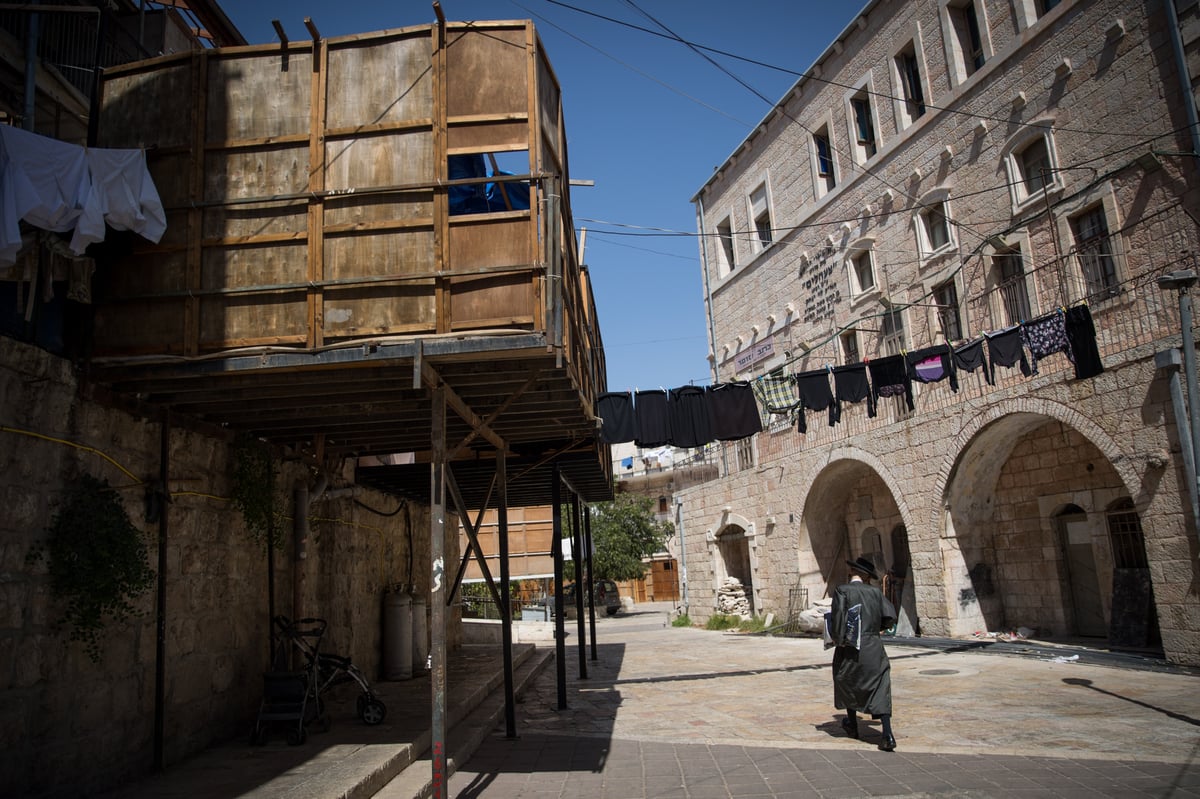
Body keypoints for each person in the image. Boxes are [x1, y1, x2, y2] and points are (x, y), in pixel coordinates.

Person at [830, 556, 897, 751]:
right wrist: (876, 627)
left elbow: (838, 619)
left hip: (850, 645)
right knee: (880, 686)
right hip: (873, 645)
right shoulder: (875, 593)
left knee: (848, 680)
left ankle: (852, 724)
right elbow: (890, 617)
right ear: (867, 577)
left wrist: (837, 639)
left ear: (852, 572)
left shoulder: (842, 590)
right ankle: (887, 734)